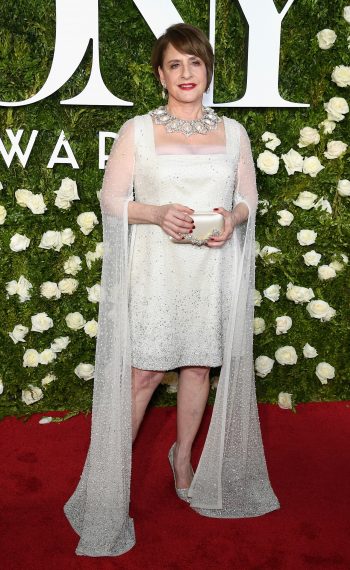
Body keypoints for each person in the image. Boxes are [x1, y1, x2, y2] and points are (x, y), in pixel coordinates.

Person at [63, 22, 280, 557]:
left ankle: (183, 459)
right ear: (161, 75)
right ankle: (107, 484)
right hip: (157, 269)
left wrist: (232, 219)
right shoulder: (137, 130)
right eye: (175, 65)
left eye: (195, 63)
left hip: (211, 267)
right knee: (144, 373)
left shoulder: (233, 133)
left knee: (199, 367)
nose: (187, 74)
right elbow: (113, 202)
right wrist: (157, 212)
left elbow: (248, 199)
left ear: (208, 72)